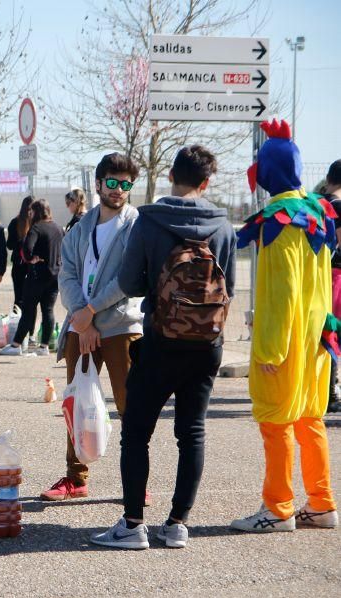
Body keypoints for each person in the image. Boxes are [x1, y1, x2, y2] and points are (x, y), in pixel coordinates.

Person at [91, 145, 236, 549]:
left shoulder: (151, 221)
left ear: (171, 175)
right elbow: (230, 289)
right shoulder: (223, 226)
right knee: (191, 432)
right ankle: (177, 524)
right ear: (205, 182)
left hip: (160, 339)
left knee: (136, 432)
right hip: (208, 344)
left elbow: (132, 282)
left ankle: (133, 524)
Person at [231, 119, 338, 532]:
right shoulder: (318, 214)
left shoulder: (278, 222)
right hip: (316, 338)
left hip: (288, 340)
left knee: (276, 422)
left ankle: (278, 508)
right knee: (311, 419)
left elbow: (282, 292)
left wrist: (270, 349)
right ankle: (322, 503)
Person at [42, 152, 143, 502]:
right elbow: (66, 275)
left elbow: (129, 278)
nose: (118, 190)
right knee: (75, 401)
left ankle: (136, 482)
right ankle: (75, 477)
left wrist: (91, 312)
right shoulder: (80, 229)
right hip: (79, 326)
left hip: (120, 326)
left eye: (126, 184)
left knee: (131, 406)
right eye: (112, 183)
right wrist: (81, 318)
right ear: (98, 184)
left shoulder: (136, 225)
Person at [0, 199, 63, 357]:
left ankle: (16, 344)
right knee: (48, 310)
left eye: (31, 212)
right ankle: (44, 347)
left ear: (36, 212)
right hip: (55, 275)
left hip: (37, 275)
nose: (30, 214)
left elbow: (27, 248)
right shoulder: (58, 228)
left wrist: (31, 258)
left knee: (28, 309)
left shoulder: (37, 227)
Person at [323, 160, 341, 414]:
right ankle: (330, 394)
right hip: (337, 275)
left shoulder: (319, 203)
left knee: (327, 334)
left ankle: (326, 391)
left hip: (322, 275)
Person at [6, 196, 33, 312]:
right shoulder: (36, 223)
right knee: (31, 299)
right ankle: (29, 328)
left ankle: (18, 325)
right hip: (32, 266)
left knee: (18, 299)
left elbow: (9, 245)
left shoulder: (14, 222)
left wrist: (19, 243)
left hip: (18, 265)